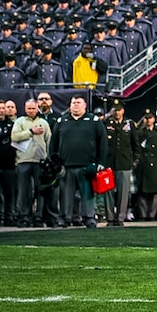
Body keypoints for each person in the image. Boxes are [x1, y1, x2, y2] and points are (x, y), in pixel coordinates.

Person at [49, 95, 107, 229]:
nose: (75, 105)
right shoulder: (62, 121)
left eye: (78, 102)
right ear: (69, 105)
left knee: (87, 194)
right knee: (66, 195)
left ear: (85, 105)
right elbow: (54, 143)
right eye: (73, 102)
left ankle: (89, 218)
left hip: (87, 165)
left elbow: (103, 142)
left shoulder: (94, 121)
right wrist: (54, 161)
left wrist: (101, 162)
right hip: (66, 165)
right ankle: (64, 218)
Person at [11, 98, 51, 227]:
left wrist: (48, 158)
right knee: (23, 191)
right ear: (25, 108)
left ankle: (38, 217)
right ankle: (24, 216)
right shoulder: (19, 121)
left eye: (33, 108)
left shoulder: (43, 123)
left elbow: (49, 141)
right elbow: (14, 137)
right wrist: (30, 132)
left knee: (40, 190)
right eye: (29, 108)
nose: (31, 111)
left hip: (40, 161)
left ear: (37, 108)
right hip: (23, 161)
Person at [102, 99, 135, 226]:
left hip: (124, 162)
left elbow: (135, 143)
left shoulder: (129, 124)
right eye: (115, 110)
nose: (117, 112)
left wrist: (135, 159)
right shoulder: (106, 123)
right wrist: (106, 116)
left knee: (123, 192)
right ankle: (110, 218)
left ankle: (120, 218)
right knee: (108, 192)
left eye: (119, 110)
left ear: (123, 110)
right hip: (108, 162)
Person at [132, 109, 157, 220]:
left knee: (154, 190)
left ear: (154, 119)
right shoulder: (139, 132)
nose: (148, 120)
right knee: (142, 190)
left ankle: (152, 214)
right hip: (143, 163)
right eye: (146, 118)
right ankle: (143, 214)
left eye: (150, 118)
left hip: (155, 162)